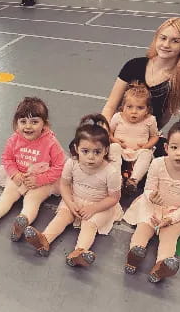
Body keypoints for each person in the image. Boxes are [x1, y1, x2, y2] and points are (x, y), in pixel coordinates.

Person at [23, 114, 123, 267]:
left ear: (106, 150)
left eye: (97, 152)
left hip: (101, 205)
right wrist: (70, 203)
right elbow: (64, 185)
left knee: (89, 225)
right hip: (75, 199)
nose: (90, 157)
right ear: (76, 149)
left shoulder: (111, 172)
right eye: (85, 151)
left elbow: (113, 198)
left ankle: (79, 252)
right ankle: (44, 240)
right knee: (62, 216)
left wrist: (93, 208)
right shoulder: (72, 163)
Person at [123, 117, 180, 283]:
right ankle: (135, 253)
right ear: (167, 147)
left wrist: (171, 218)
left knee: (169, 236)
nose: (179, 153)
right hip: (152, 206)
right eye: (174, 147)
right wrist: (151, 197)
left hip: (177, 212)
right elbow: (149, 189)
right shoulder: (157, 164)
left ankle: (162, 265)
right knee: (143, 228)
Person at [0, 97, 66, 241]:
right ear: (16, 123)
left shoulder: (51, 142)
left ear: (44, 124)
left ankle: (22, 221)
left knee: (32, 200)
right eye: (23, 122)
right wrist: (14, 174)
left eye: (34, 122)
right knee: (7, 196)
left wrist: (39, 180)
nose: (28, 126)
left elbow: (60, 166)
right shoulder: (14, 139)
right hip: (19, 175)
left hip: (42, 180)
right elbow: (7, 159)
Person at [102, 17, 180, 159]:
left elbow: (164, 118)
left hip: (144, 138)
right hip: (118, 131)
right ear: (156, 38)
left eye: (175, 41)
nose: (166, 44)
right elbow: (110, 106)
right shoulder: (133, 65)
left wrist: (146, 139)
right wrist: (106, 133)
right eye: (163, 38)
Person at [109, 82, 158, 194]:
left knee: (147, 153)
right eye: (129, 107)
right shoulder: (118, 117)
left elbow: (155, 137)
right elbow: (109, 133)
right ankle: (117, 178)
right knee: (114, 148)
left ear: (147, 109)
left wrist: (146, 146)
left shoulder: (150, 120)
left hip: (138, 152)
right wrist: (115, 140)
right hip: (121, 150)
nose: (134, 112)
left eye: (140, 108)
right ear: (123, 107)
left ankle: (133, 180)